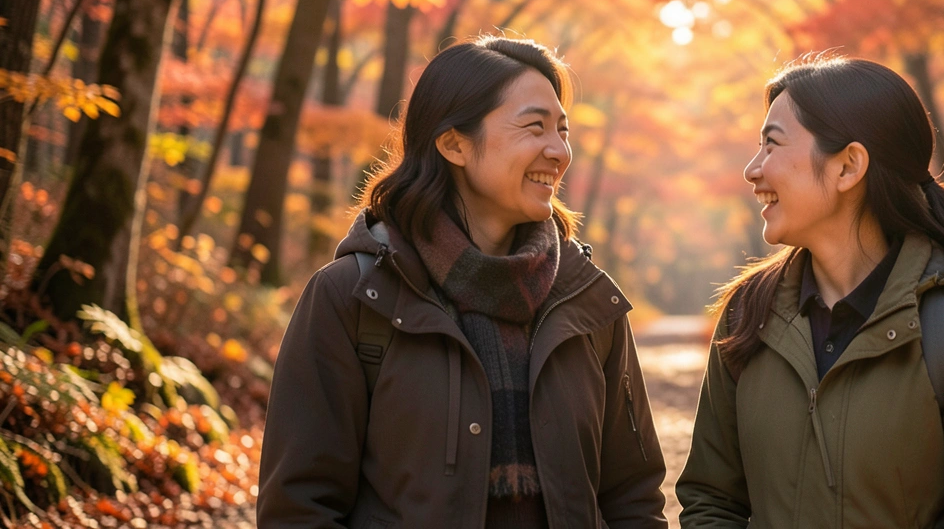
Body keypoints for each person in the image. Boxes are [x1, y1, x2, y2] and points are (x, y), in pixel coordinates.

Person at [258, 36, 666, 528]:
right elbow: (299, 507)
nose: (559, 152)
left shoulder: (585, 301)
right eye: (534, 127)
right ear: (453, 143)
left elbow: (633, 498)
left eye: (562, 131)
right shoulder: (354, 297)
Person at [677, 54, 944, 529]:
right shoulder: (747, 316)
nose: (752, 170)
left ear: (848, 167)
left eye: (771, 145)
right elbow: (712, 501)